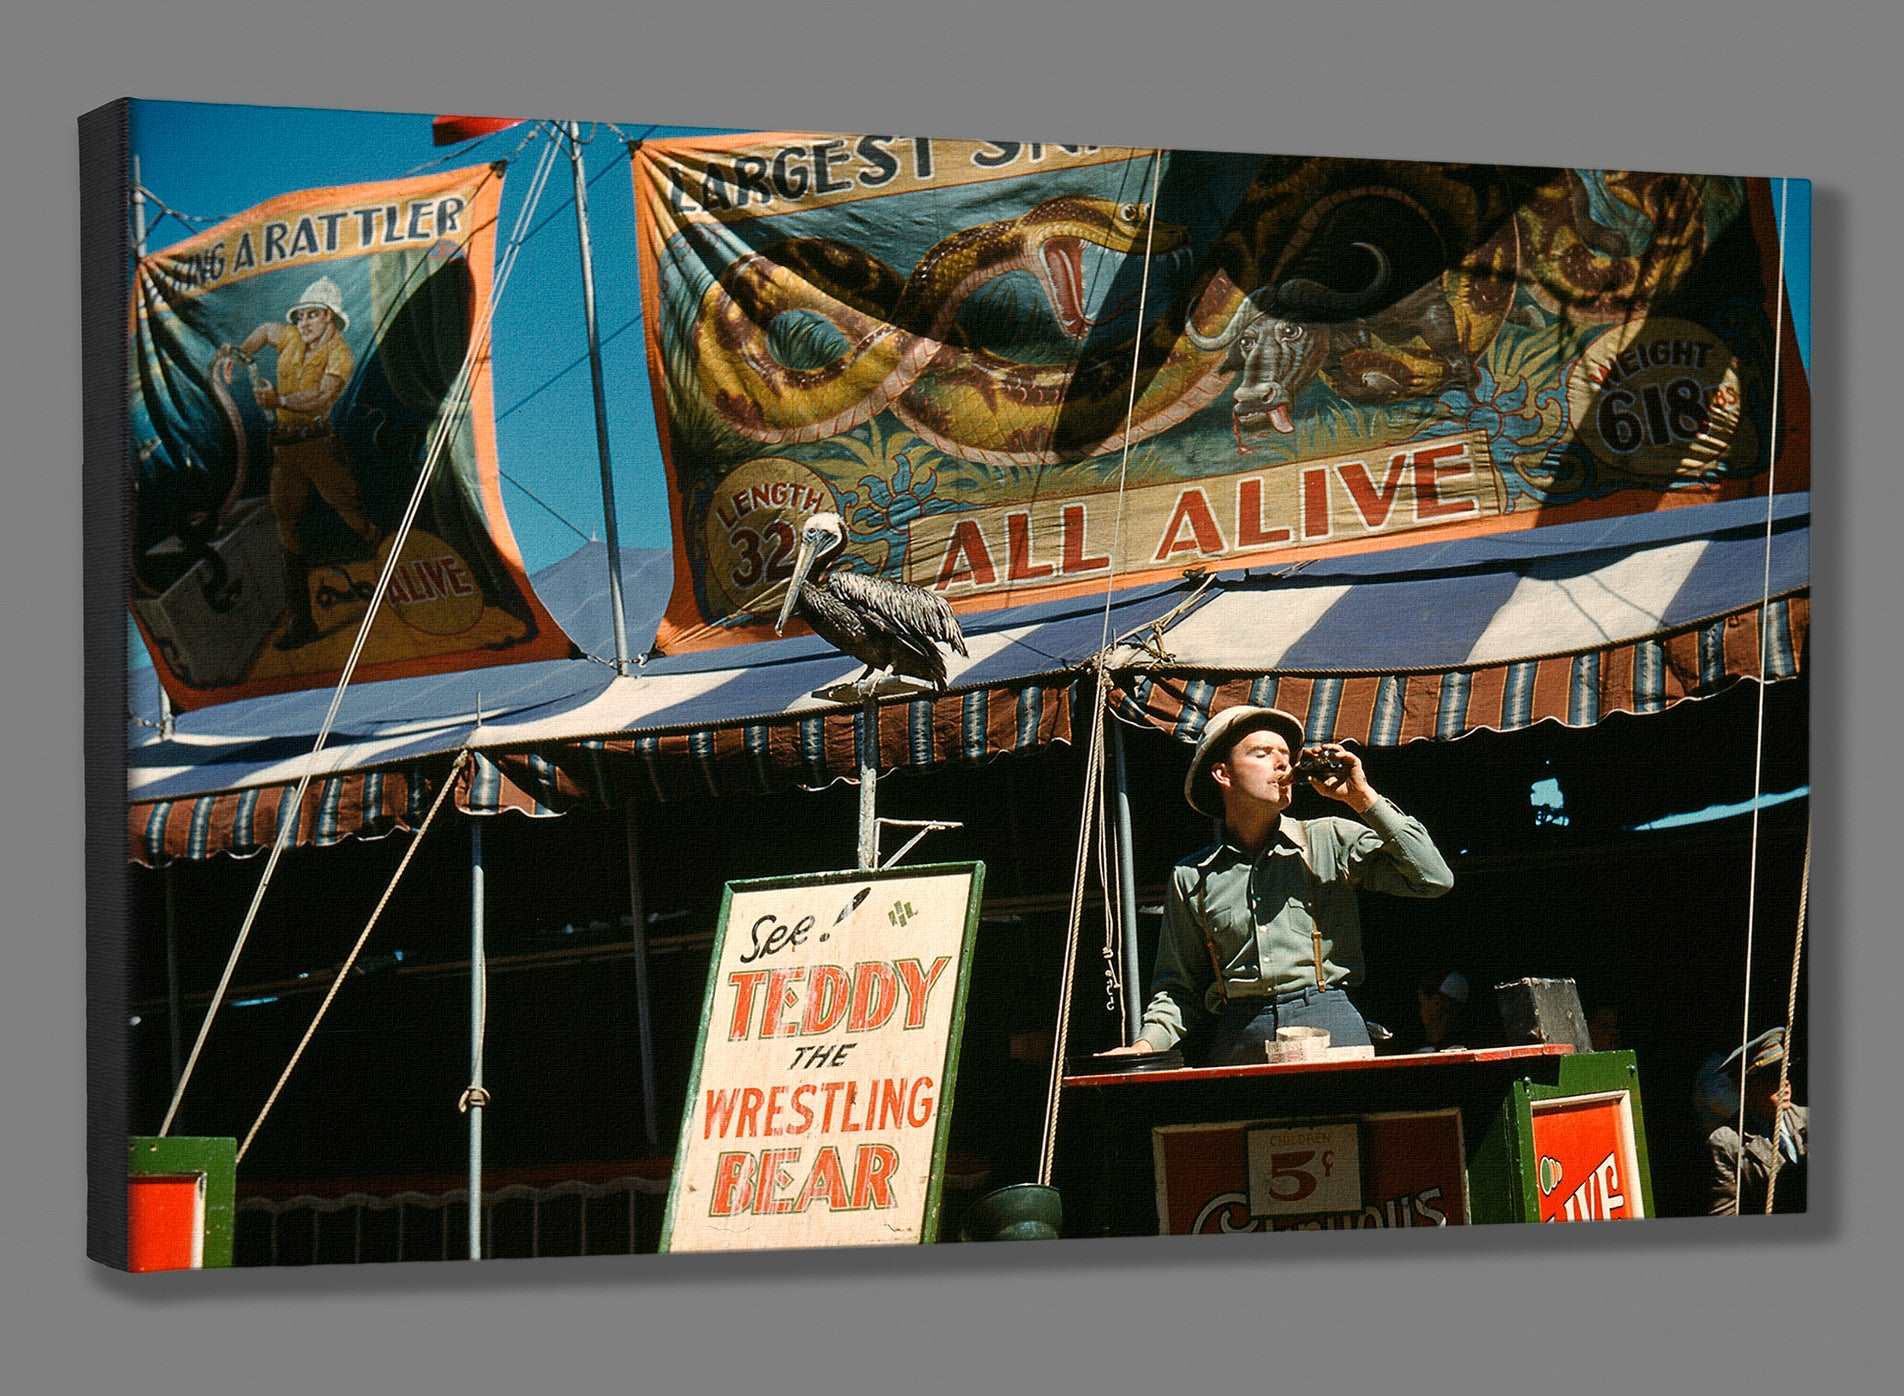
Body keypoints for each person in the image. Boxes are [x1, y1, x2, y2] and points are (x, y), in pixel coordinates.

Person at [1103, 705, 1454, 1066]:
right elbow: (1177, 988)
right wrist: (1145, 1045)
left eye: (1286, 755)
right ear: (1222, 773)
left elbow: (1433, 878)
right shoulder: (1193, 875)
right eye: (1262, 753)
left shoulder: (1328, 839)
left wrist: (1362, 799)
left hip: (1329, 1021)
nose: (1282, 764)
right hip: (1240, 1035)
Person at [223, 276, 380, 649]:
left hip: (319, 446)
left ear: (329, 318)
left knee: (353, 515)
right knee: (287, 529)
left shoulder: (340, 355)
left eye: (313, 315)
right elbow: (264, 331)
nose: (304, 323)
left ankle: (396, 580)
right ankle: (302, 621)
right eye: (301, 316)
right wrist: (240, 354)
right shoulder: (292, 338)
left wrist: (280, 402)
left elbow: (321, 396)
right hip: (286, 451)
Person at [1704, 1026, 1808, 1216]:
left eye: (1786, 1072)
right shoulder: (1727, 1142)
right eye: (1773, 1075)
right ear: (1745, 1087)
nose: (1784, 1083)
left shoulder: (1809, 1119)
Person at [1397, 968, 1475, 1054]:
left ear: (1436, 1003)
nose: (1420, 1010)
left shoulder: (1464, 1049)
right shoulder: (1410, 1042)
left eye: (1421, 1002)